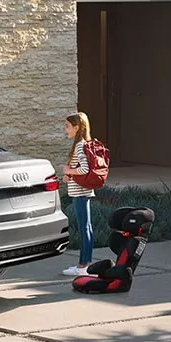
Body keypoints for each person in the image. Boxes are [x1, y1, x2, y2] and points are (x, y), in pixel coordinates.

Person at [61, 111, 95, 276]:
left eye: (67, 126)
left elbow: (84, 169)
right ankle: (87, 263)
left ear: (77, 127)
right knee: (86, 227)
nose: (65, 129)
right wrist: (70, 174)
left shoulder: (80, 145)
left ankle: (82, 266)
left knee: (84, 228)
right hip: (84, 192)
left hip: (80, 193)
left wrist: (69, 170)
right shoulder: (83, 143)